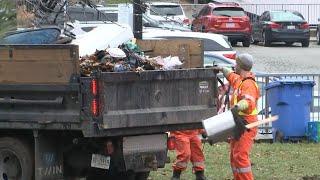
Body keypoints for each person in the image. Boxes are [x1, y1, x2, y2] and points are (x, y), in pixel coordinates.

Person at [216, 53, 260, 180]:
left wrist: (238, 106)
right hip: (239, 123)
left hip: (247, 124)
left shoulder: (248, 84)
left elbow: (249, 101)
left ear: (240, 66)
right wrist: (221, 68)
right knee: (234, 156)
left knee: (240, 156)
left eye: (236, 64)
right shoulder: (239, 80)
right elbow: (231, 75)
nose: (234, 66)